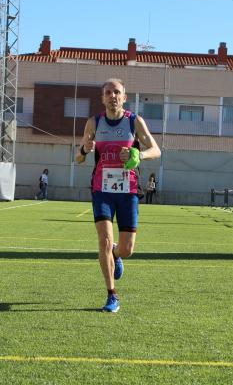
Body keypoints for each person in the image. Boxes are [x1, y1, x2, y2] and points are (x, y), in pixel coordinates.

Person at [76, 78, 161, 313]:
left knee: (127, 249)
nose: (112, 96)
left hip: (128, 189)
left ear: (124, 97)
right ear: (103, 98)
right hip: (101, 188)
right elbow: (79, 157)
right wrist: (84, 149)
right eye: (108, 92)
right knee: (102, 240)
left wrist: (138, 155)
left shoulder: (134, 121)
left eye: (117, 92)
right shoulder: (94, 123)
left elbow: (156, 150)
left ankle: (116, 253)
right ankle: (112, 295)